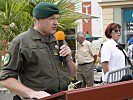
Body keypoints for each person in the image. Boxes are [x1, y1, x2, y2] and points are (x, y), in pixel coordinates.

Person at [0, 2, 76, 100]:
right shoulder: (21, 42)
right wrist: (32, 93)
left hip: (63, 96)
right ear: (37, 20)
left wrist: (68, 58)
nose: (56, 22)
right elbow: (6, 79)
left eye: (57, 18)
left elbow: (73, 74)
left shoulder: (58, 40)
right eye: (51, 18)